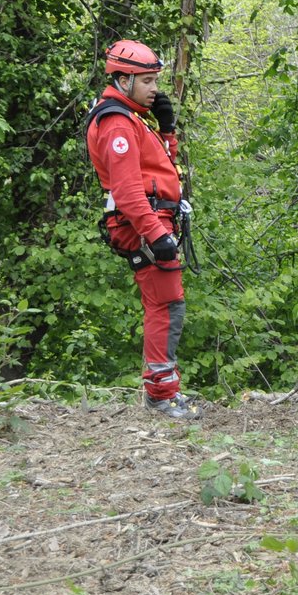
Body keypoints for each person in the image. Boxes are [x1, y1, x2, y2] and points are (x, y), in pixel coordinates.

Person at [84, 39, 200, 420]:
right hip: (143, 224)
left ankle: (164, 390)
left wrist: (167, 132)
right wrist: (156, 235)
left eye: (154, 80)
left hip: (153, 220)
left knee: (168, 304)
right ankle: (161, 395)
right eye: (147, 80)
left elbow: (158, 171)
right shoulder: (116, 121)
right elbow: (129, 190)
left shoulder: (132, 118)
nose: (155, 88)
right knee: (165, 306)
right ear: (122, 79)